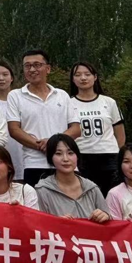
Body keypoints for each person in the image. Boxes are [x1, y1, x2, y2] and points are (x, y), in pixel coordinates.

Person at [6, 50, 81, 187]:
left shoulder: (62, 95)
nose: (32, 69)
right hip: (34, 163)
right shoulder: (15, 96)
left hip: (66, 162)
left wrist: (53, 144)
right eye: (27, 66)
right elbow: (14, 130)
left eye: (37, 65)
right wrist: (41, 145)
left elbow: (76, 129)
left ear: (48, 69)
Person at [69, 61, 125, 196]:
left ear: (95, 77)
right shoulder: (68, 103)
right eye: (78, 75)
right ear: (73, 79)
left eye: (87, 74)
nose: (83, 78)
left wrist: (119, 154)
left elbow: (120, 132)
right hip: (82, 156)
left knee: (111, 196)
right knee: (86, 196)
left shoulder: (109, 102)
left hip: (109, 156)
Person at [35, 134, 110, 222]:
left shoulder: (92, 188)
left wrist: (105, 215)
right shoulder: (43, 190)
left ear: (77, 156)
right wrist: (56, 223)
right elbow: (39, 224)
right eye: (58, 154)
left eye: (70, 153)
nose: (65, 159)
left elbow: (109, 219)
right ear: (50, 158)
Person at [0, 59, 24, 182]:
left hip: (22, 155)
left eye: (5, 74)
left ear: (11, 78)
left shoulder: (22, 100)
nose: (1, 78)